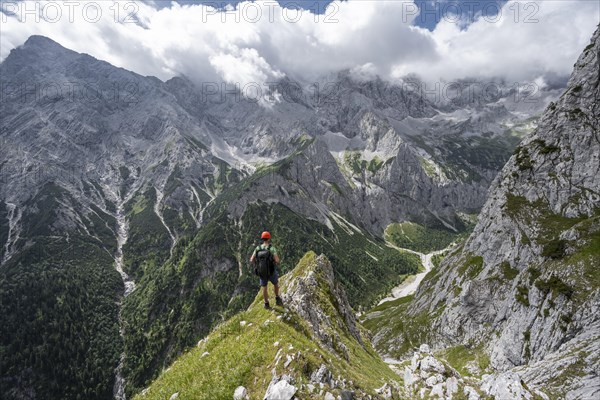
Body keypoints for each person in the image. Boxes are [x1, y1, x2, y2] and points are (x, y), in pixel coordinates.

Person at [250, 231, 284, 309]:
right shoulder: (271, 248)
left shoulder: (258, 248)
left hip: (262, 272)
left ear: (262, 238)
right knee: (275, 284)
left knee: (264, 287)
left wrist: (258, 263)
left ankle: (266, 304)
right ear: (268, 238)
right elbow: (277, 260)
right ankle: (277, 298)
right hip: (271, 271)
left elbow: (251, 259)